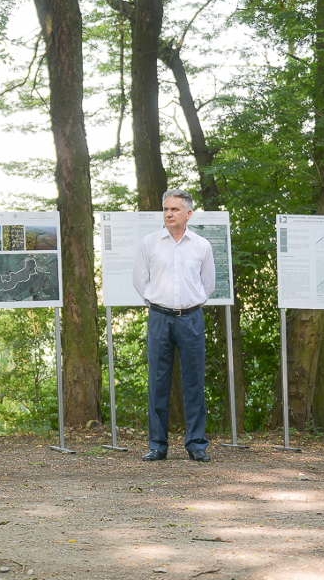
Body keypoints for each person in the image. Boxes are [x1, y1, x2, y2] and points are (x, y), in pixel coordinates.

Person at [132, 188, 216, 462]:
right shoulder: (149, 243)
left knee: (194, 381)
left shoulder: (201, 245)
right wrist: (158, 302)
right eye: (166, 209)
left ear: (188, 214)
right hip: (159, 317)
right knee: (158, 382)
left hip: (191, 318)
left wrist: (192, 304)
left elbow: (208, 284)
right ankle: (158, 445)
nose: (169, 214)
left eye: (175, 209)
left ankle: (196, 444)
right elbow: (139, 280)